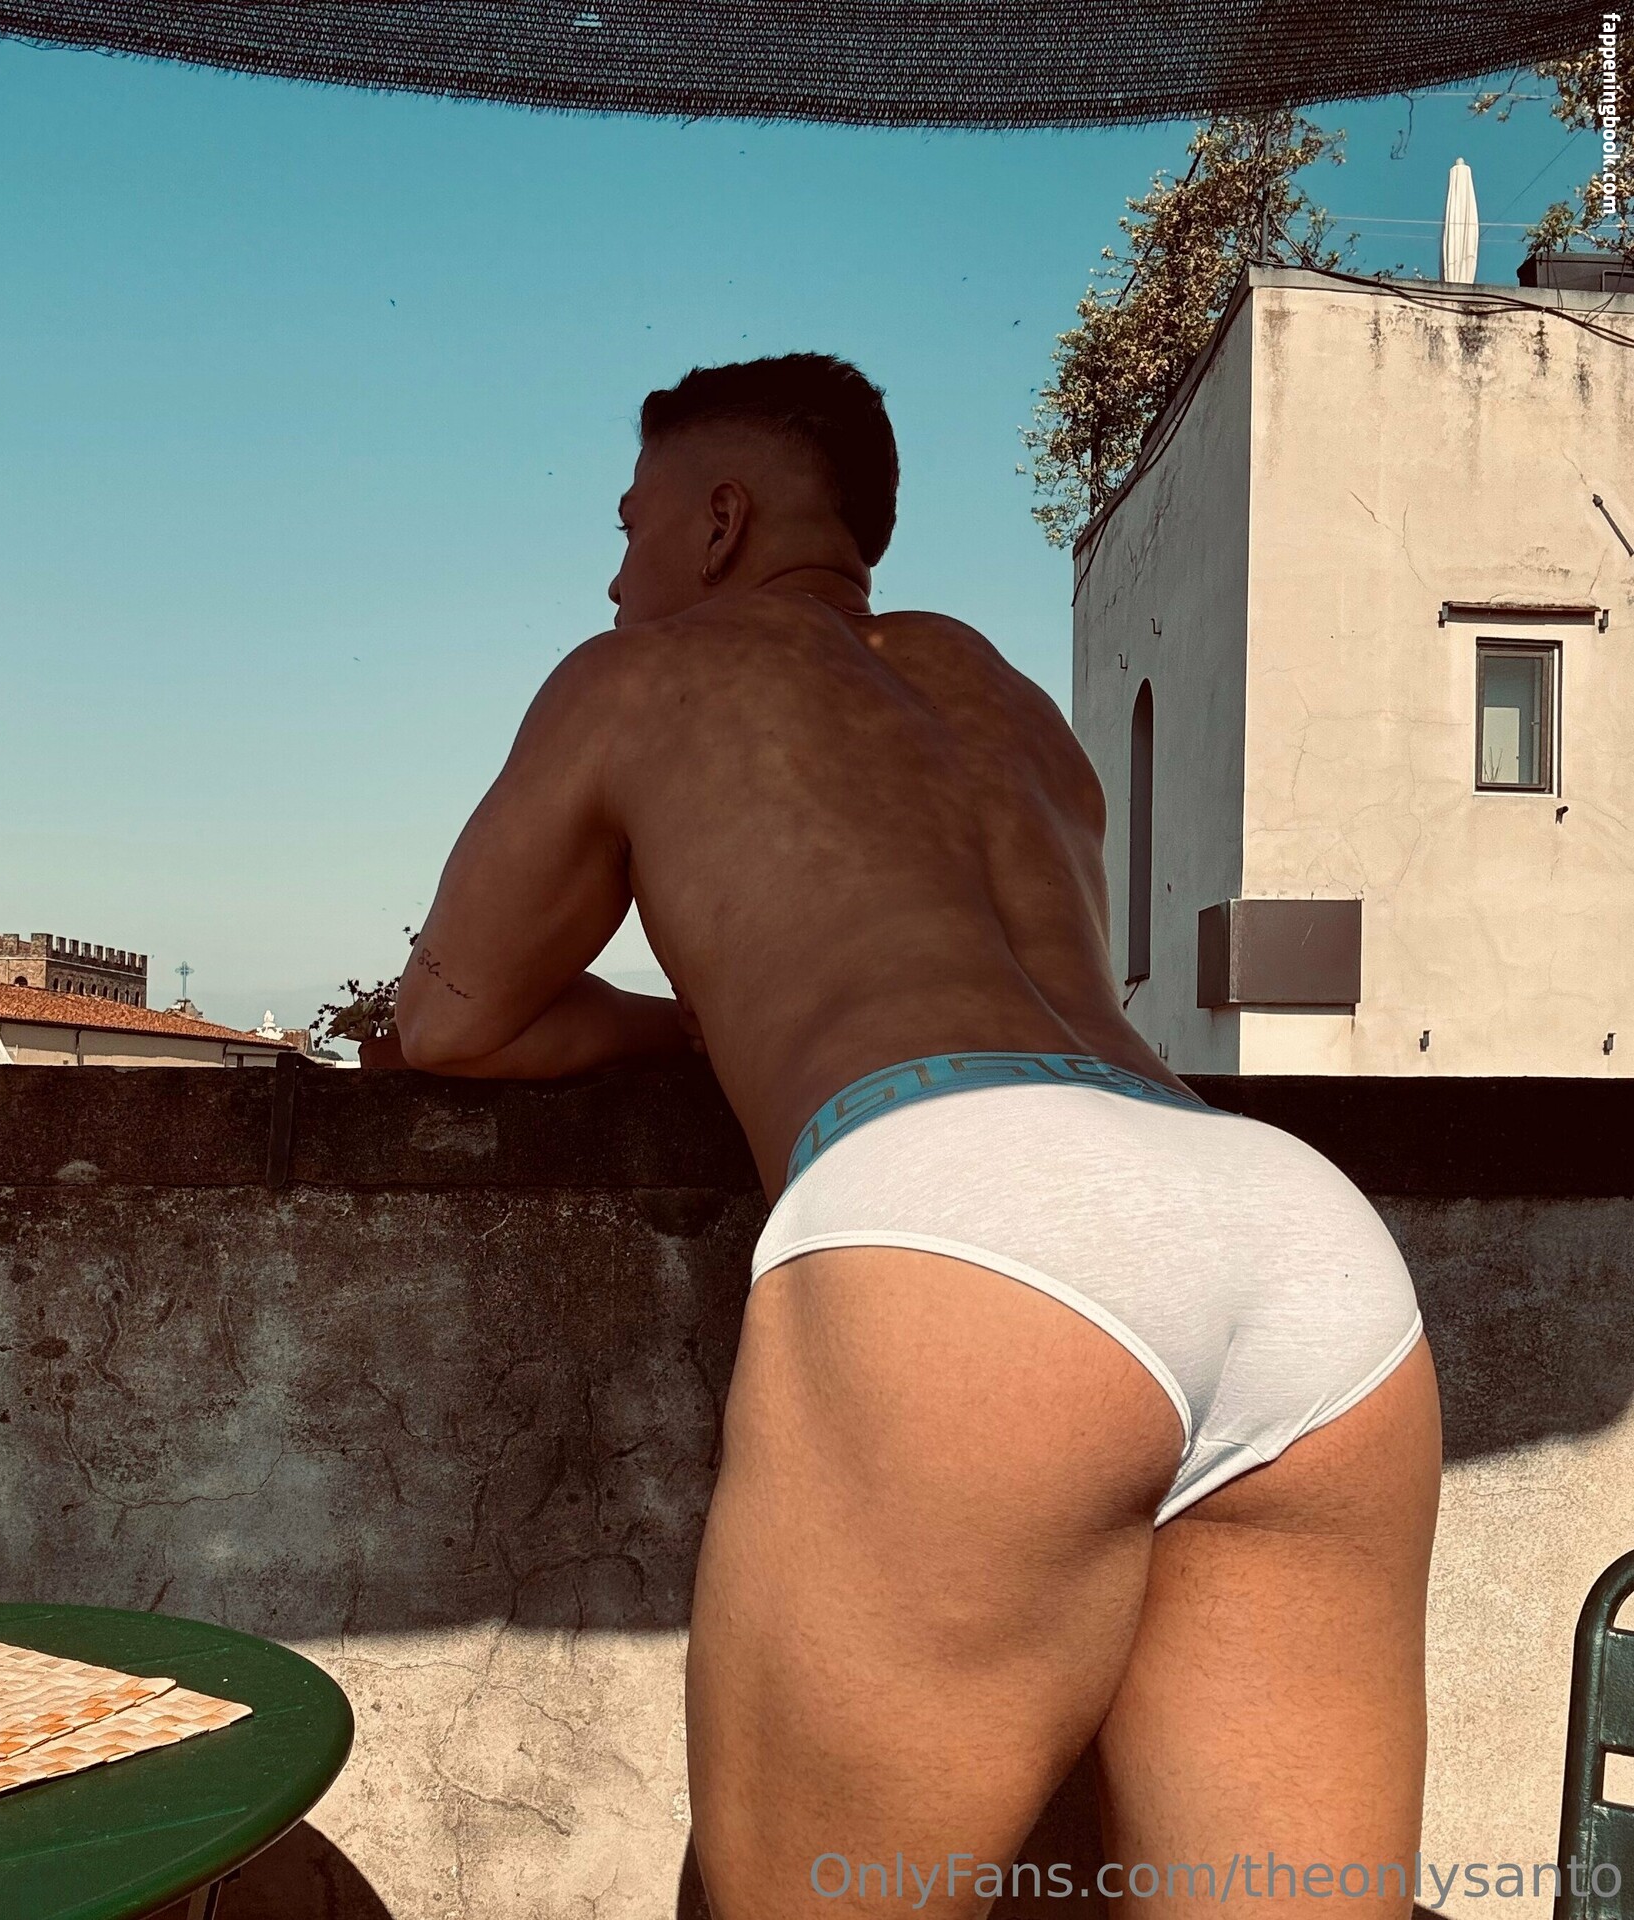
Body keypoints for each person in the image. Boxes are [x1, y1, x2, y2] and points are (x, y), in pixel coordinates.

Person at [394, 352, 1441, 1918]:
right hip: (1282, 1224)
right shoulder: (1000, 697)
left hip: (968, 1213)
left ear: (719, 523)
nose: (613, 575)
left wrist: (684, 1024)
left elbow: (451, 1021)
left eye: (629, 526)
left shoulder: (638, 677)